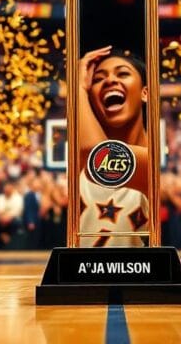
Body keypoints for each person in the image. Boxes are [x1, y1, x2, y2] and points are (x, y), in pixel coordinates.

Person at [77, 46, 150, 247]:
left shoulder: (151, 160)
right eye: (99, 79)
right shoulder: (75, 160)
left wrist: (77, 89)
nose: (109, 80)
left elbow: (100, 157)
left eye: (123, 73)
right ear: (92, 98)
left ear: (146, 93)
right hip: (83, 277)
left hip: (136, 278)